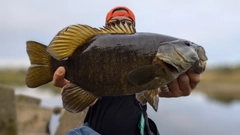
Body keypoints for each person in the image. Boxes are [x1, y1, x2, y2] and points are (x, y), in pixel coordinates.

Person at [52, 6, 201, 135]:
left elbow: (149, 85)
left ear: (134, 30)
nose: (121, 25)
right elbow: (76, 97)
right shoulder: (93, 48)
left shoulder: (154, 61)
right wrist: (77, 91)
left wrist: (166, 86)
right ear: (106, 29)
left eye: (127, 23)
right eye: (114, 23)